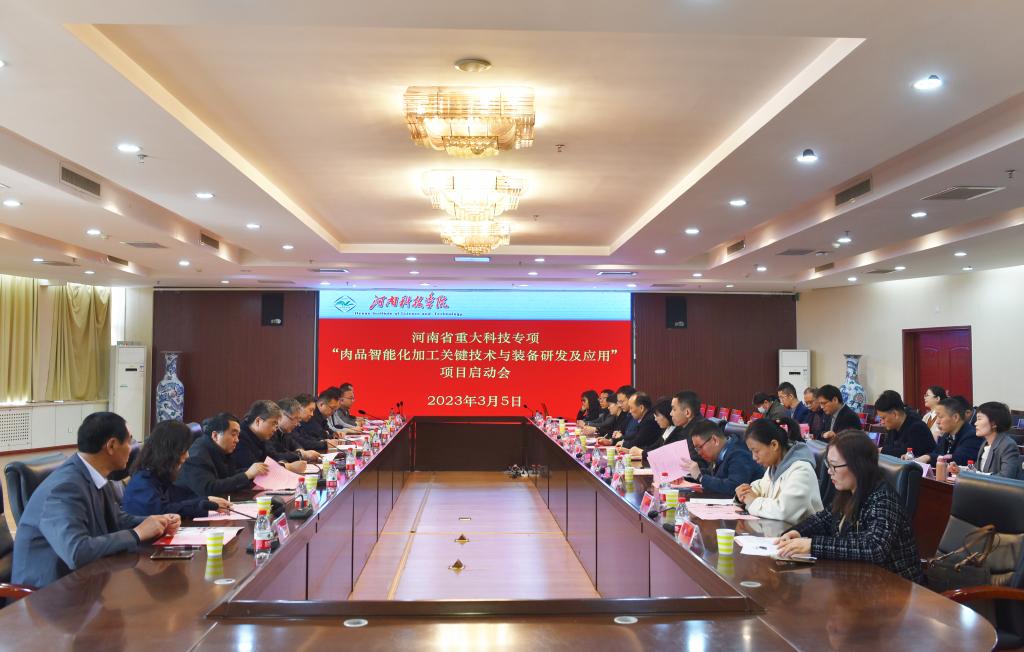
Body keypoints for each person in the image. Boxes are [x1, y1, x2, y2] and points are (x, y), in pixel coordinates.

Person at [12, 412, 177, 588]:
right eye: (129, 441)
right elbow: (77, 552)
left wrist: (155, 523)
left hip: (81, 582)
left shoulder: (92, 473)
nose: (132, 448)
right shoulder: (64, 488)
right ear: (111, 445)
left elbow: (115, 519)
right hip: (45, 594)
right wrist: (137, 533)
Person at [776, 431, 923, 583]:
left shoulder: (883, 498)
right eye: (828, 464)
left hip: (894, 586)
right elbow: (823, 519)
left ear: (858, 466)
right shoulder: (849, 491)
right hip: (860, 580)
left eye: (834, 466)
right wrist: (797, 532)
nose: (829, 471)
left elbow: (874, 548)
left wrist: (812, 545)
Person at [123, 420, 232, 519]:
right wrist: (202, 503)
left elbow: (181, 498)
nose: (187, 456)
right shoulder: (143, 481)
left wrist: (207, 500)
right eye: (184, 450)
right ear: (170, 451)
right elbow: (161, 511)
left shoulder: (160, 475)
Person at [736, 417, 823, 523]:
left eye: (756, 451)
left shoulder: (801, 470)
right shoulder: (773, 467)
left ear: (774, 445)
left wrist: (753, 501)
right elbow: (761, 488)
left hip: (799, 532)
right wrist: (744, 493)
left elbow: (784, 511)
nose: (754, 457)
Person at [176, 412, 266, 498]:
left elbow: (228, 476)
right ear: (215, 435)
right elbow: (209, 489)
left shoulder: (221, 450)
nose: (237, 440)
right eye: (233, 434)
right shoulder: (197, 456)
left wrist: (253, 472)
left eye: (238, 435)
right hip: (190, 504)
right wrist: (247, 475)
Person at [684, 421, 763, 495]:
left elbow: (734, 487)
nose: (698, 453)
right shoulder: (722, 451)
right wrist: (689, 475)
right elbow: (716, 477)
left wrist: (700, 477)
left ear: (715, 440)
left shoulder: (739, 454)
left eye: (699, 447)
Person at [949, 401, 1022, 479]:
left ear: (993, 423)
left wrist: (977, 475)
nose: (975, 423)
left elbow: (1006, 477)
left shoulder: (1008, 446)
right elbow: (977, 469)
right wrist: (960, 469)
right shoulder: (985, 443)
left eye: (979, 419)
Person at [234, 400, 306, 474]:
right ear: (258, 421)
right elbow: (254, 469)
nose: (275, 429)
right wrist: (288, 467)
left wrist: (282, 463)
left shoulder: (261, 436)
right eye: (273, 423)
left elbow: (272, 457)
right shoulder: (240, 437)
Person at [916, 396, 981, 467]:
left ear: (955, 417)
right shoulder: (947, 434)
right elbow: (936, 453)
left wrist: (929, 457)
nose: (937, 421)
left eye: (940, 417)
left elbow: (958, 459)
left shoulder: (972, 435)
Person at [874, 391, 935, 459]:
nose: (882, 422)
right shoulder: (892, 427)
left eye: (883, 418)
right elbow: (889, 447)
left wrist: (882, 450)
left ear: (895, 414)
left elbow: (907, 453)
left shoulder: (917, 427)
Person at [269, 397, 322, 464]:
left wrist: (301, 451)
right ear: (281, 415)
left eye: (298, 419)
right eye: (295, 419)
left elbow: (295, 444)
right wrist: (301, 454)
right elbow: (274, 456)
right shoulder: (270, 432)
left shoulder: (285, 432)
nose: (297, 424)